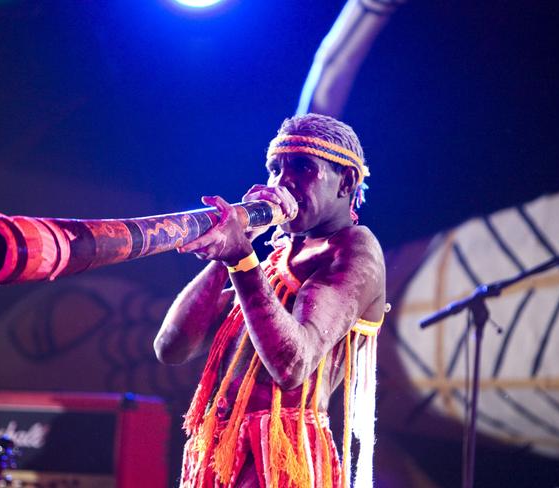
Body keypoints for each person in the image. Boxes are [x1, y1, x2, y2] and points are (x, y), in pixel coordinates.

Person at [154, 113, 386, 488]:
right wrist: (226, 252)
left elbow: (293, 365)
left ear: (345, 182)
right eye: (275, 169)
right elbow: (171, 347)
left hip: (283, 459)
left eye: (302, 167)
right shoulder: (273, 262)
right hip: (221, 452)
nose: (282, 181)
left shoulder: (355, 247)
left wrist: (241, 258)